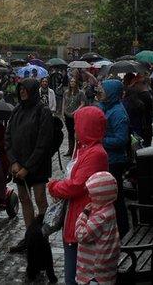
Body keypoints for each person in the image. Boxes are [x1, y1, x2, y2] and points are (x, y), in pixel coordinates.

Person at [48, 106, 109, 285]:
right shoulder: (86, 148)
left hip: (82, 219)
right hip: (77, 215)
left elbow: (76, 185)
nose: (74, 129)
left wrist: (53, 186)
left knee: (74, 276)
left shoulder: (95, 153)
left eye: (77, 125)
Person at [5, 77, 54, 253]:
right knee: (25, 200)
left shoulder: (43, 111)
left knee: (40, 200)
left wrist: (28, 167)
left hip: (37, 165)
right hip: (19, 165)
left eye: (25, 89)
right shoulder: (17, 110)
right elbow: (8, 137)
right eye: (20, 89)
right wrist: (14, 162)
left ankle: (41, 235)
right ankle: (29, 237)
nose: (22, 92)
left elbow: (43, 142)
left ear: (32, 90)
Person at [96, 79, 130, 238]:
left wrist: (101, 140)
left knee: (116, 198)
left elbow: (121, 140)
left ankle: (122, 229)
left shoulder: (118, 113)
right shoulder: (107, 106)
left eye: (103, 90)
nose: (100, 92)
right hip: (107, 158)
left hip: (114, 161)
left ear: (111, 93)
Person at [74, 171, 120, 285]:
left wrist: (83, 215)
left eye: (92, 194)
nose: (89, 196)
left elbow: (81, 235)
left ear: (101, 196)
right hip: (105, 268)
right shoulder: (109, 208)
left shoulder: (101, 217)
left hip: (94, 272)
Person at [62, 77, 86, 157]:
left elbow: (82, 103)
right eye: (71, 81)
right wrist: (63, 112)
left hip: (76, 115)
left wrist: (77, 110)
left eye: (74, 82)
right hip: (67, 115)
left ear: (76, 83)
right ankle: (70, 149)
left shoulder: (80, 93)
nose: (72, 83)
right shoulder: (66, 92)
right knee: (70, 133)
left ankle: (78, 150)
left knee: (77, 133)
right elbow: (64, 102)